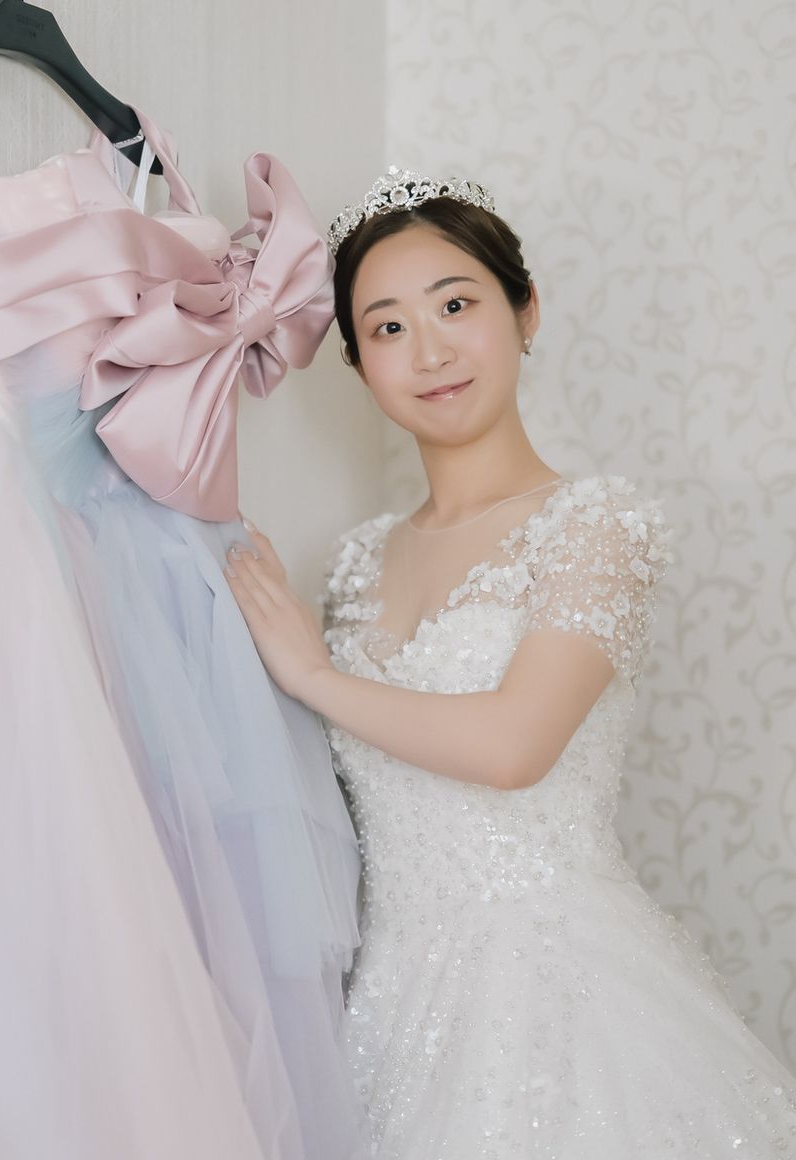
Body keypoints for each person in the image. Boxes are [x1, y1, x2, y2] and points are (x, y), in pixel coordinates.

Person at [224, 167, 796, 1158]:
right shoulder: (355, 561)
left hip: (566, 1000)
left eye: (456, 305)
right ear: (357, 363)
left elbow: (513, 746)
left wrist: (311, 676)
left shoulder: (593, 525)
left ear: (525, 311)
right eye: (388, 327)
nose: (430, 350)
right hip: (388, 1006)